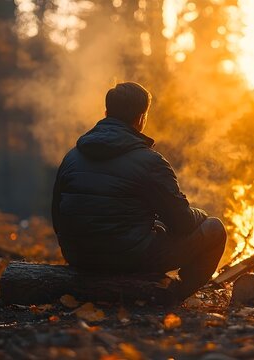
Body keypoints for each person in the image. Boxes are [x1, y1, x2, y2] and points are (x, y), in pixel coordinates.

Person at [51, 82, 227, 302]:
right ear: (141, 118)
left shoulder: (72, 157)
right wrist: (201, 215)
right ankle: (172, 294)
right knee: (215, 229)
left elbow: (57, 216)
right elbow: (182, 223)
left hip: (78, 257)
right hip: (128, 257)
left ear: (106, 113)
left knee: (156, 228)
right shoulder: (150, 162)